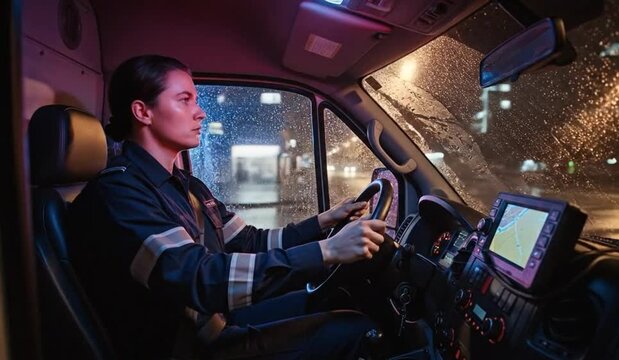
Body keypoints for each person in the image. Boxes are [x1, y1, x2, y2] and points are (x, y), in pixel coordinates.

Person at [68, 54, 387, 359]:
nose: (200, 112)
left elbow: (248, 242)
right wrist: (327, 251)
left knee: (334, 299)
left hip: (209, 323)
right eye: (184, 100)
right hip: (188, 347)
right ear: (143, 112)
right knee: (355, 330)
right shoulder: (120, 193)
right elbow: (196, 278)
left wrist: (322, 223)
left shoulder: (188, 186)